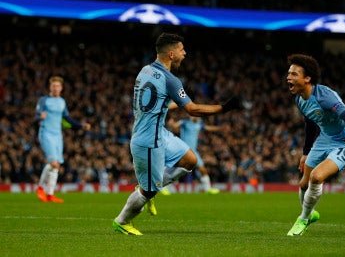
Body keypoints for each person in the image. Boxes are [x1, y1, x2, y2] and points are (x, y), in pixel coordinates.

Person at [112, 32, 242, 235]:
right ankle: (122, 220)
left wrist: (169, 106)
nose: (185, 53)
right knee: (149, 190)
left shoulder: (145, 71)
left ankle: (150, 185)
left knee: (190, 160)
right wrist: (223, 108)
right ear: (171, 54)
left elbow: (157, 100)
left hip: (158, 132)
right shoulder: (171, 80)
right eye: (182, 50)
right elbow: (193, 109)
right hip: (148, 140)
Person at [286, 54, 345, 236]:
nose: (288, 77)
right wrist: (305, 153)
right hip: (325, 138)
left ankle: (303, 219)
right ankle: (310, 214)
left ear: (307, 79)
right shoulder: (299, 98)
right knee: (303, 183)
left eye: (294, 74)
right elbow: (311, 123)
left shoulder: (324, 96)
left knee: (317, 177)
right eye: (289, 73)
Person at [35, 76, 91, 203]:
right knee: (53, 163)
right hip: (46, 133)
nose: (55, 88)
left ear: (61, 88)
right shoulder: (44, 100)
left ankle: (50, 195)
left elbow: (67, 120)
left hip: (57, 135)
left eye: (57, 86)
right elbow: (36, 117)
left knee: (56, 166)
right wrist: (40, 117)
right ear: (50, 87)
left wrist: (81, 125)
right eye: (53, 85)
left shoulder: (62, 102)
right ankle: (40, 188)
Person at [166, 115, 222, 194]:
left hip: (194, 152)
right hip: (183, 151)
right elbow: (174, 126)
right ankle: (164, 187)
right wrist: (171, 123)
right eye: (195, 115)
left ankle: (208, 189)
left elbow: (208, 128)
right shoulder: (184, 122)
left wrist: (220, 128)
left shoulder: (199, 124)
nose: (197, 117)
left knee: (202, 169)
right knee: (172, 169)